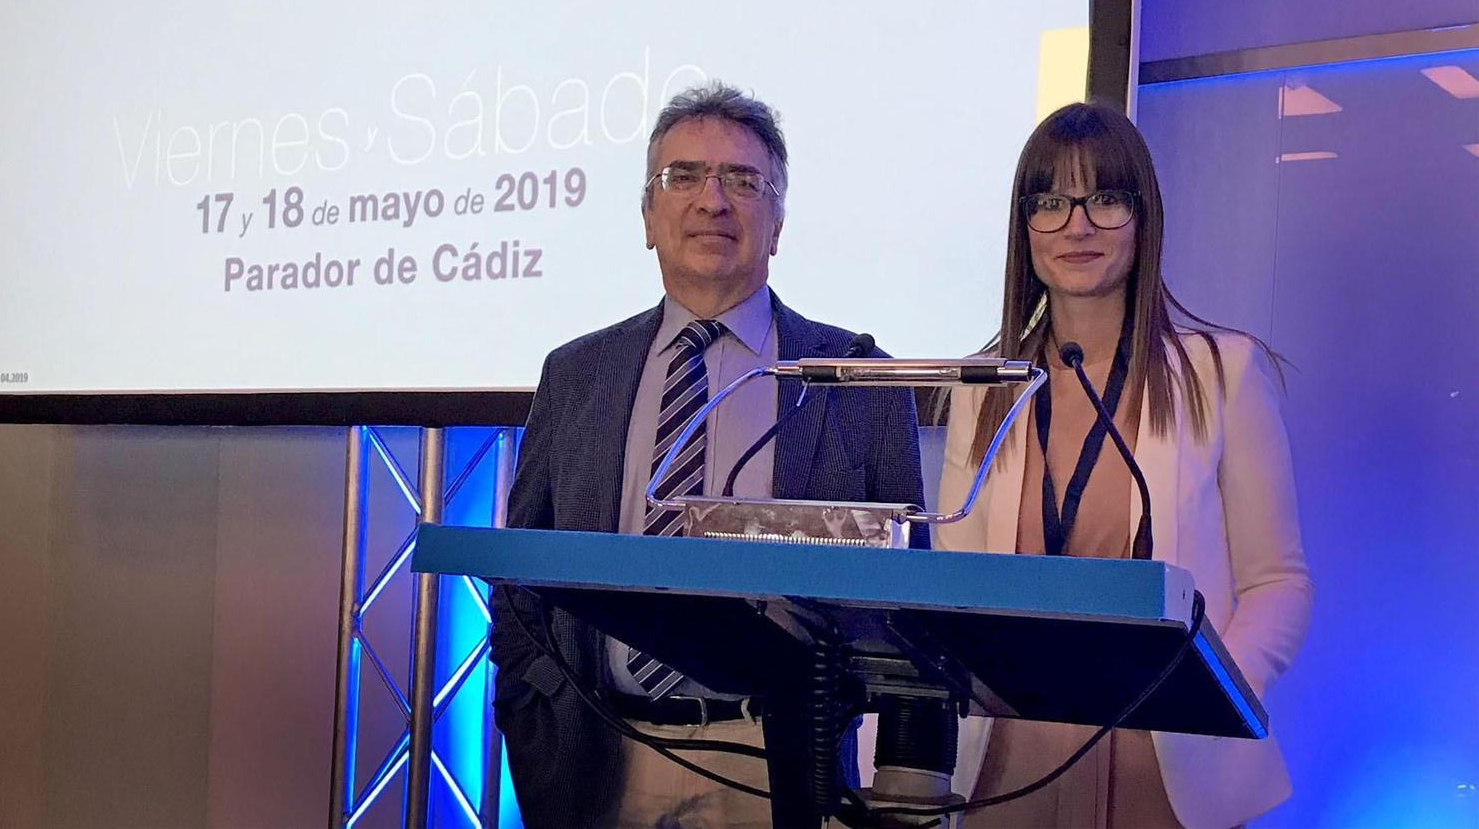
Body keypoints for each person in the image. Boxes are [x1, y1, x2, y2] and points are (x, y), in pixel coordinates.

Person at [490, 82, 929, 828]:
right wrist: (538, 714)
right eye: (684, 176)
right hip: (596, 762)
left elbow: (913, 602)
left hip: (778, 764)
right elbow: (521, 576)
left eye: (743, 180)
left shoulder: (859, 377)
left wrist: (903, 776)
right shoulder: (575, 373)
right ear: (648, 217)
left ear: (779, 221)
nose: (713, 200)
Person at [934, 102, 1312, 828]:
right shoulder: (983, 389)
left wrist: (1210, 692)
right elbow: (957, 590)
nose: (1077, 225)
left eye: (1104, 198)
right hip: (1011, 762)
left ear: (1144, 216)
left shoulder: (1222, 373)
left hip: (1171, 759)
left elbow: (1279, 583)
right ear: (1025, 228)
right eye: (1050, 202)